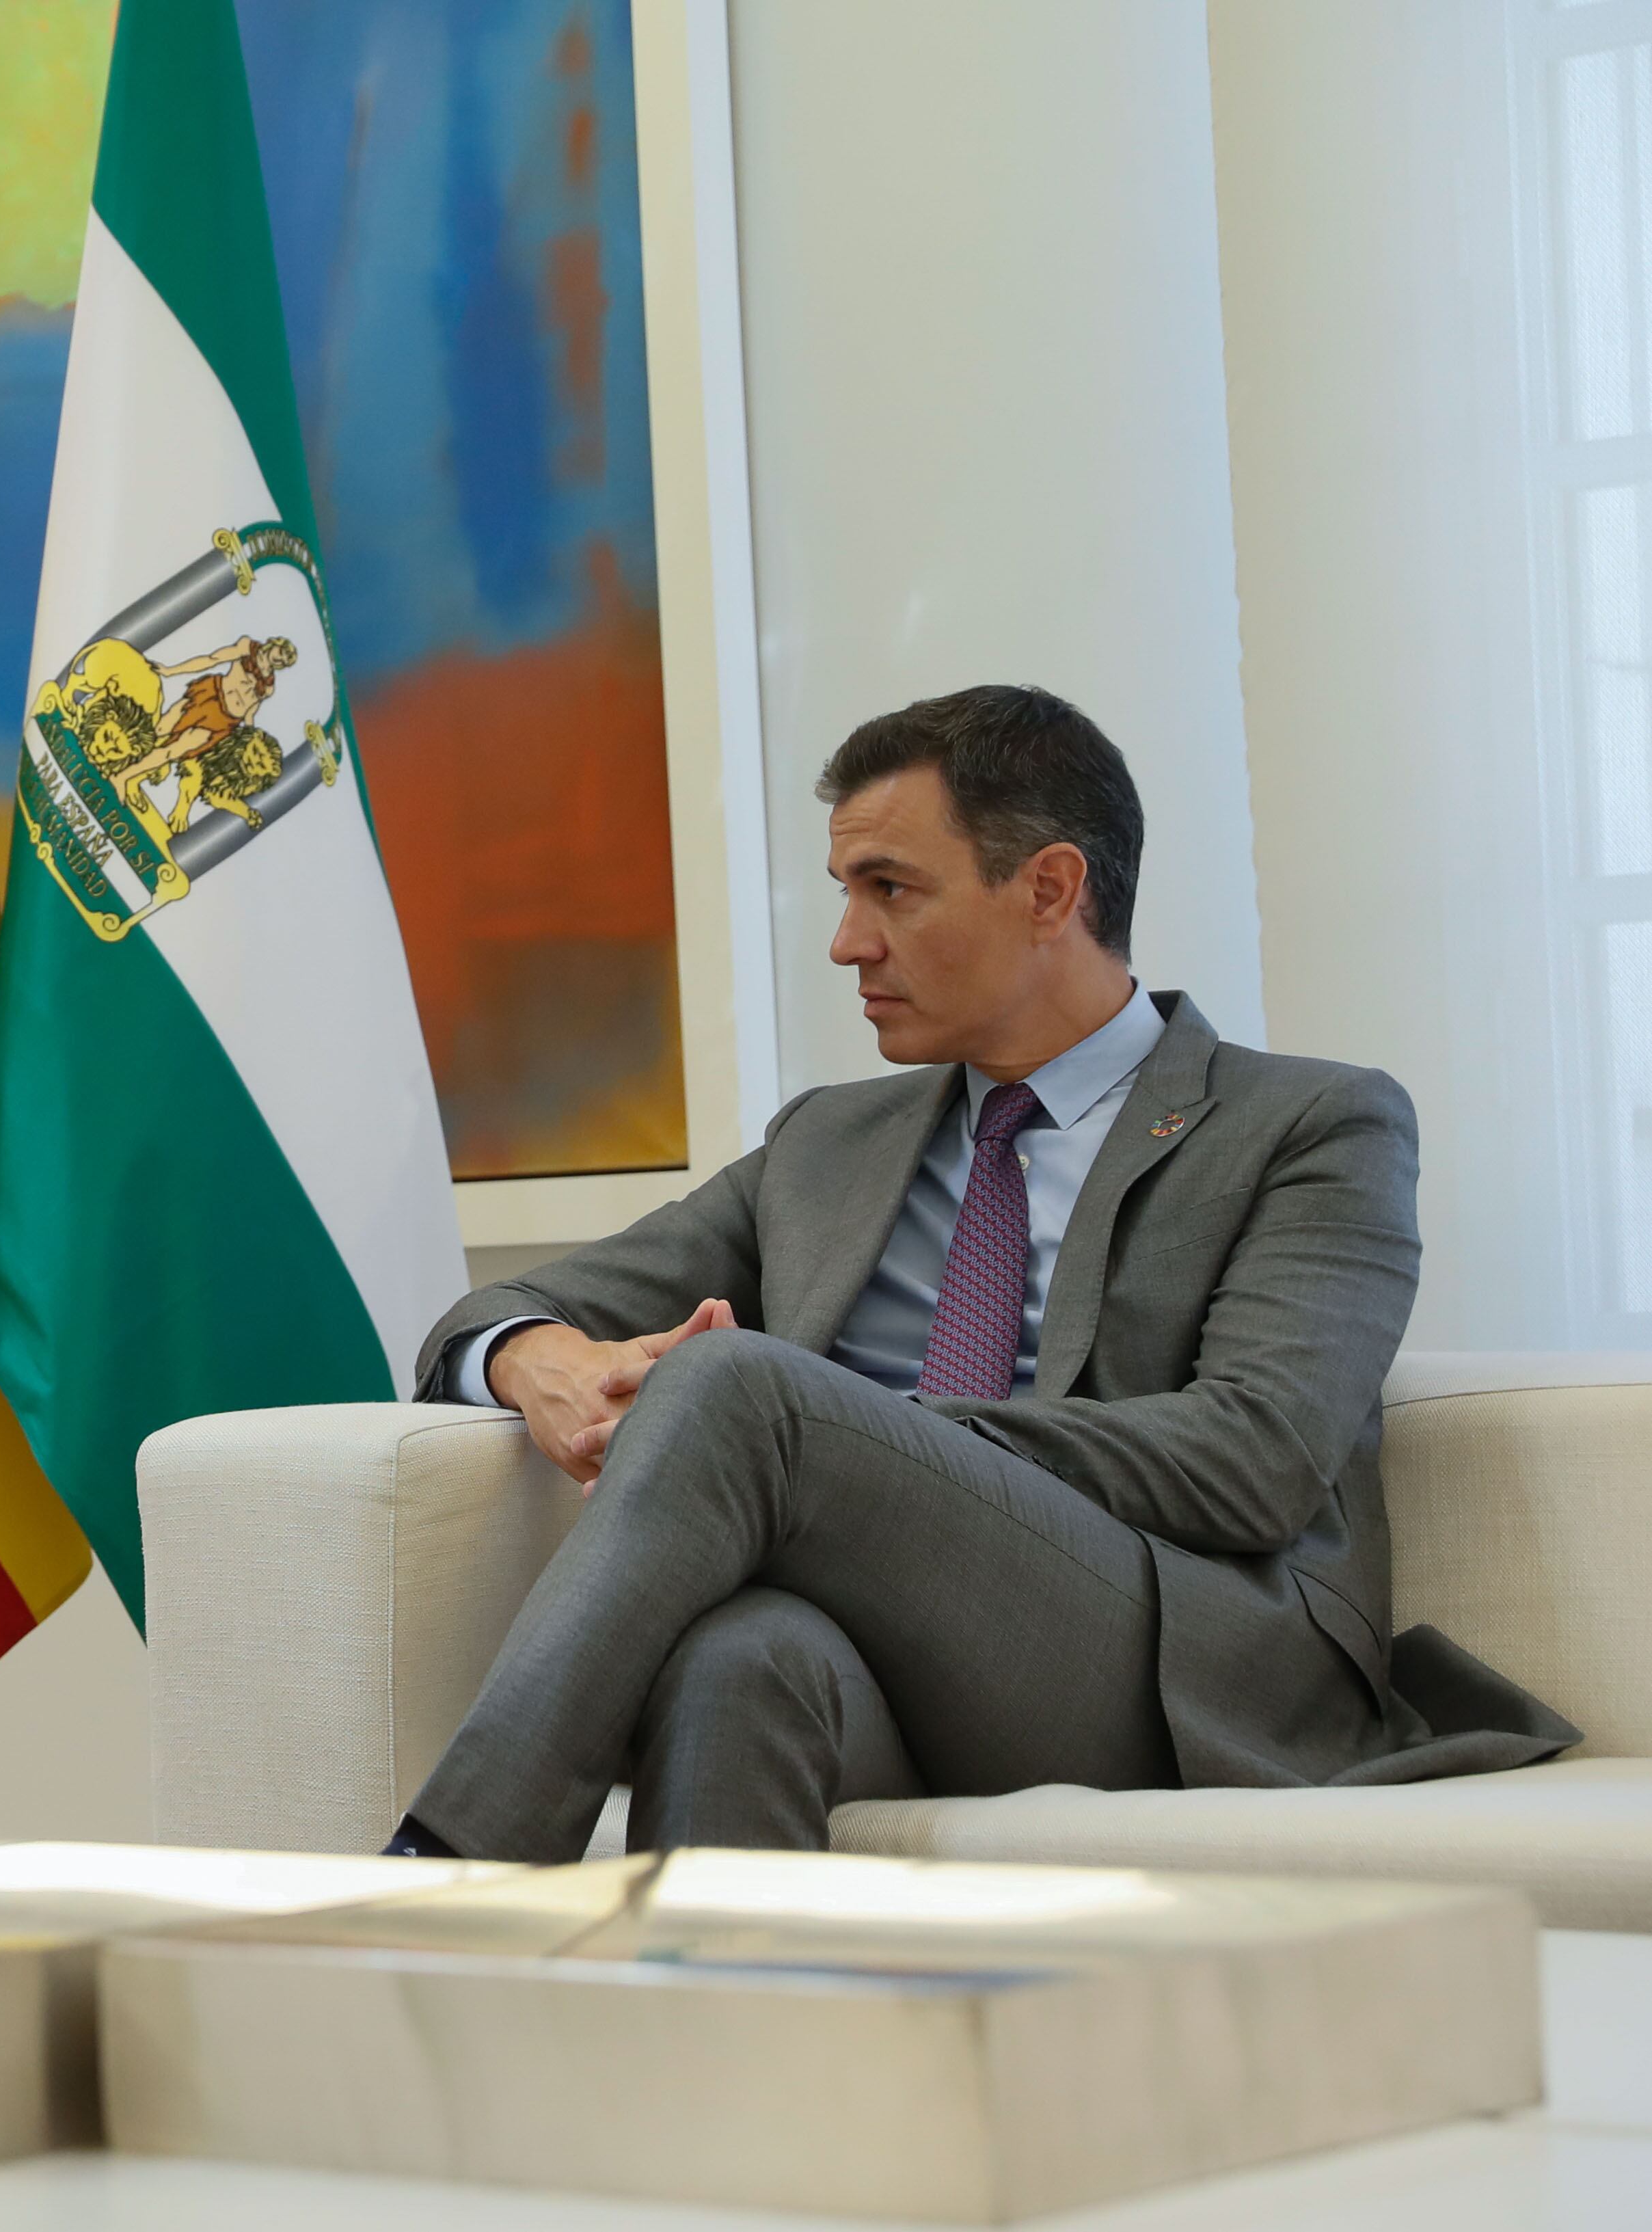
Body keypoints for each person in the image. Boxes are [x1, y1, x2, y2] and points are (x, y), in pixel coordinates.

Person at [391, 686, 1574, 1864]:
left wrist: (869, 1444)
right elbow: (488, 1310)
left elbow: (1253, 1458)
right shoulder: (826, 1143)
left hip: (1173, 1656)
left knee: (741, 1391)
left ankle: (451, 1878)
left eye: (890, 889)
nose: (848, 942)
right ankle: (717, 2038)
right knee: (737, 1659)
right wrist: (533, 1359)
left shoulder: (1310, 1123)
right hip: (895, 1661)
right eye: (844, 893)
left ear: (1050, 889)